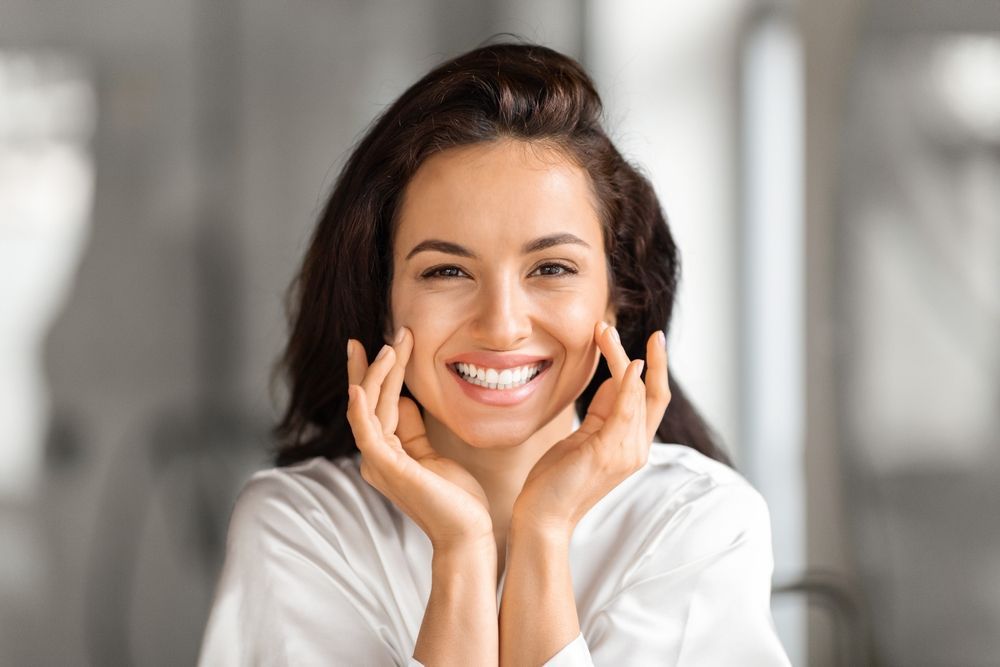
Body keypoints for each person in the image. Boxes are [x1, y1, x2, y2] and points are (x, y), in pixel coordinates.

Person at [198, 42, 791, 666]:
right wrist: (462, 549)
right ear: (382, 300)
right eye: (447, 271)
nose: (502, 326)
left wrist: (544, 532)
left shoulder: (697, 523)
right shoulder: (303, 528)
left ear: (618, 300)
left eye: (552, 268)